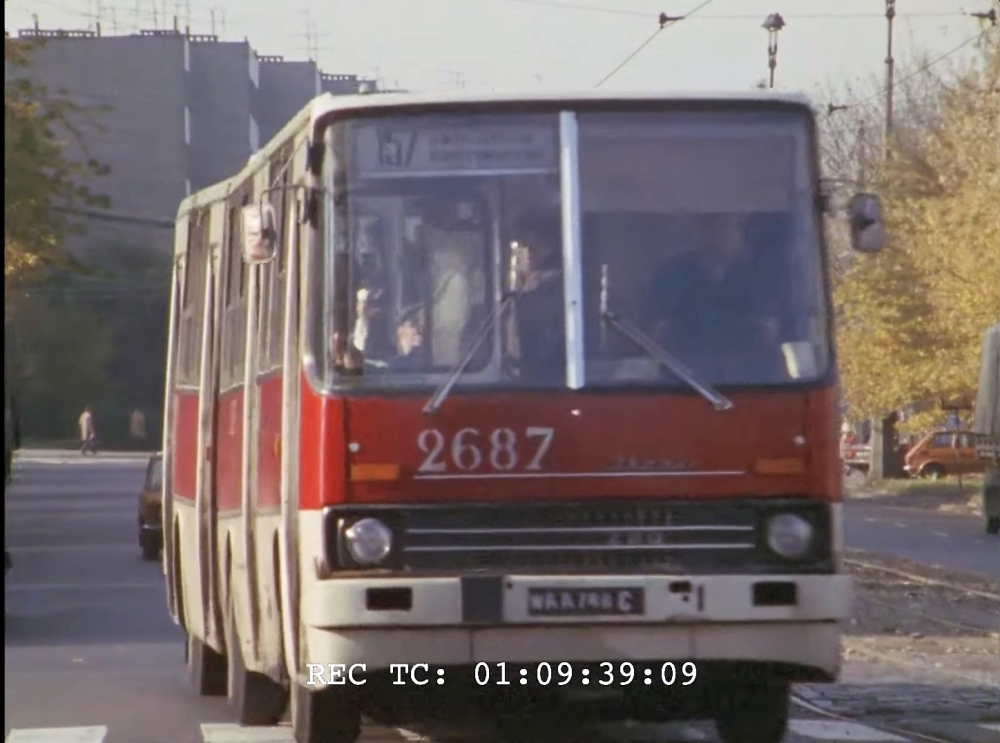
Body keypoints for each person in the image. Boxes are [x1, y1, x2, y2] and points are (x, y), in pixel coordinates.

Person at [643, 211, 787, 379]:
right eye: (724, 226)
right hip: (683, 378)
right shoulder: (672, 272)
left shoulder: (757, 275)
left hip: (750, 381)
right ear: (704, 232)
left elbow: (769, 333)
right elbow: (656, 331)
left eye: (737, 227)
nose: (732, 234)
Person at [509, 212, 565, 383]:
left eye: (533, 246)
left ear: (550, 249)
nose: (528, 253)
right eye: (525, 247)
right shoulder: (527, 289)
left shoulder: (556, 290)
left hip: (546, 378)